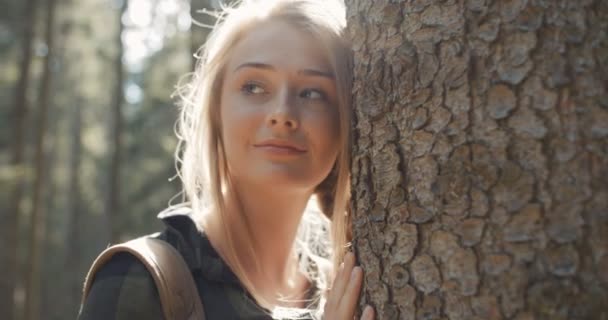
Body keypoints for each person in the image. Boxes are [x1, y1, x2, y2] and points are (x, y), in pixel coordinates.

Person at [78, 0, 374, 319]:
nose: (282, 114)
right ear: (217, 110)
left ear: (345, 122)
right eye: (254, 87)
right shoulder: (139, 282)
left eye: (313, 93)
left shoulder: (353, 289)